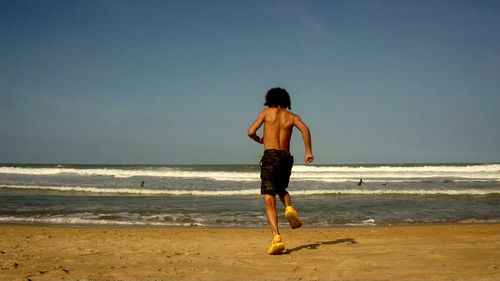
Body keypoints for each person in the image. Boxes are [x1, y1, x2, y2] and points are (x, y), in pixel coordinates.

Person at [248, 87, 314, 255]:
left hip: (270, 156)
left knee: (269, 198)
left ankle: (276, 237)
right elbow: (305, 129)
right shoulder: (292, 117)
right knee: (280, 189)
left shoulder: (266, 112)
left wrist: (259, 139)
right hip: (285, 157)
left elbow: (250, 132)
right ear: (286, 100)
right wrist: (308, 151)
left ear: (270, 99)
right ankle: (289, 208)